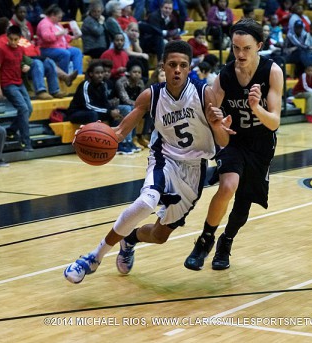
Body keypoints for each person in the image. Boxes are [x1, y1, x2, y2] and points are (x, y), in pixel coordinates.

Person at [64, 40, 233, 283]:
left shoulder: (203, 93)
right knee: (145, 203)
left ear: (189, 68)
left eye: (182, 65)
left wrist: (217, 124)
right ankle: (93, 257)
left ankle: (129, 240)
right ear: (162, 66)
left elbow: (224, 141)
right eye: (172, 64)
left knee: (160, 235)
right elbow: (120, 133)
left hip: (195, 170)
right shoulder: (151, 95)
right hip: (165, 159)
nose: (177, 70)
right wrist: (87, 133)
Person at [184, 18, 284, 271]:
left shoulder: (272, 72)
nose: (240, 54)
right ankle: (205, 240)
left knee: (243, 204)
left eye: (246, 48)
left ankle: (226, 242)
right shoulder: (225, 76)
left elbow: (273, 122)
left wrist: (256, 108)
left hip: (262, 143)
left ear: (259, 46)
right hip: (234, 139)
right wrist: (215, 120)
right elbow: (211, 112)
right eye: (235, 48)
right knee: (228, 185)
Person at [0, 25, 34, 152]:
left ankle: (11, 130)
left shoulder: (21, 49)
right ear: (7, 37)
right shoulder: (1, 49)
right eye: (10, 39)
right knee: (23, 108)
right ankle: (25, 142)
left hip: (19, 83)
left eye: (15, 39)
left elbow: (24, 62)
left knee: (29, 109)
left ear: (19, 39)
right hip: (8, 84)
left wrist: (26, 66)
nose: (12, 42)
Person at [67, 60, 122, 124]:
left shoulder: (102, 85)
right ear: (91, 74)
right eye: (97, 73)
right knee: (93, 114)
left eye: (102, 73)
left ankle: (115, 134)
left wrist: (113, 110)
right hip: (77, 113)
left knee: (115, 115)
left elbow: (105, 103)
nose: (100, 75)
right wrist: (109, 112)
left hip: (93, 111)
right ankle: (92, 134)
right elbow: (88, 105)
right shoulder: (85, 85)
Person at [36, 4, 83, 75]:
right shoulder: (44, 23)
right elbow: (46, 37)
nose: (60, 19)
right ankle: (65, 75)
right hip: (46, 48)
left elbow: (63, 37)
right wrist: (58, 34)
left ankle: (78, 74)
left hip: (60, 47)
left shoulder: (57, 24)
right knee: (65, 54)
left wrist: (73, 37)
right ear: (52, 15)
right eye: (59, 17)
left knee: (77, 52)